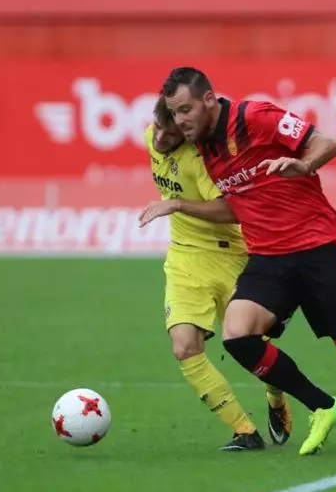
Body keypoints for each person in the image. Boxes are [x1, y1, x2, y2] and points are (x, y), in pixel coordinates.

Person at [147, 66, 336, 456]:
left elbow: (327, 143)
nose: (180, 120)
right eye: (174, 112)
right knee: (237, 335)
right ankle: (322, 406)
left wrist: (305, 164)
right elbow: (232, 205)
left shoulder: (255, 117)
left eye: (185, 110)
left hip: (317, 249)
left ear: (209, 100)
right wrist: (178, 202)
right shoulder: (201, 147)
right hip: (268, 258)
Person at [137, 96, 293, 451]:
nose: (159, 138)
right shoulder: (151, 136)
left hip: (228, 256)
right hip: (184, 258)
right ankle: (244, 430)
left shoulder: (202, 160)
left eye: (170, 134)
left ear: (187, 133)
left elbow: (233, 211)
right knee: (184, 347)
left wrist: (177, 204)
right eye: (158, 128)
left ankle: (276, 397)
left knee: (249, 343)